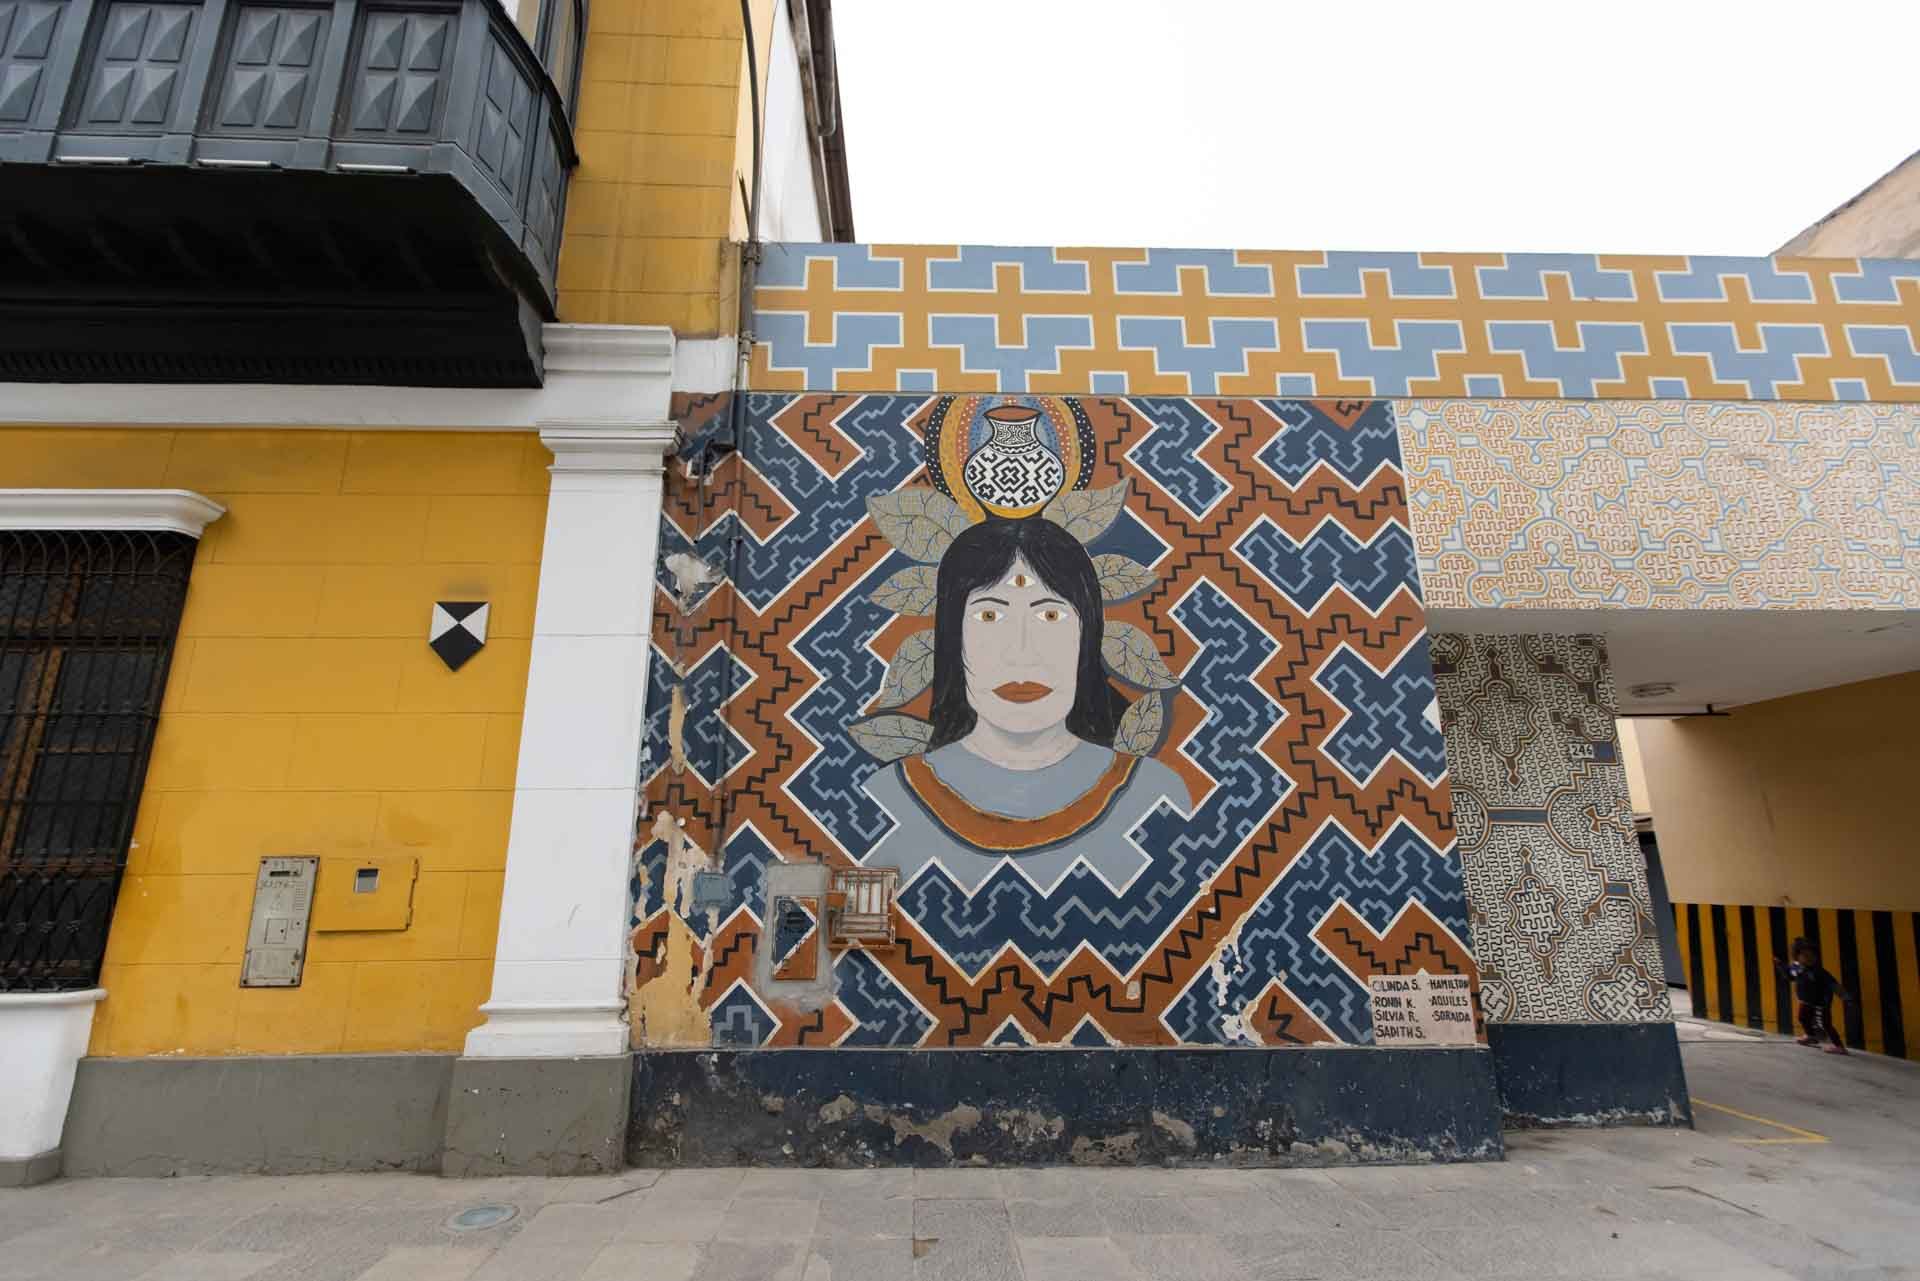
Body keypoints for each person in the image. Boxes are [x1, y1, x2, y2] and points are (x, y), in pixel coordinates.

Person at [862, 517, 1189, 895]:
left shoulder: (1155, 794)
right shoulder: (888, 797)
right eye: (989, 615)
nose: (1021, 653)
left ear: (1087, 637)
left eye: (1050, 615)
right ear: (954, 640)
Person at [1777, 938, 1848, 1055]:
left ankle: (1839, 1046)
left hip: (1821, 1003)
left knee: (1825, 1024)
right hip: (1806, 1000)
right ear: (1797, 957)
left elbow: (1832, 984)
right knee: (1802, 1017)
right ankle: (1811, 1036)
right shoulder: (1798, 967)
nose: (1810, 958)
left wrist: (1845, 996)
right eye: (1805, 955)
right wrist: (1781, 966)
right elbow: (1790, 977)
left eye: (1812, 955)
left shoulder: (1818, 971)